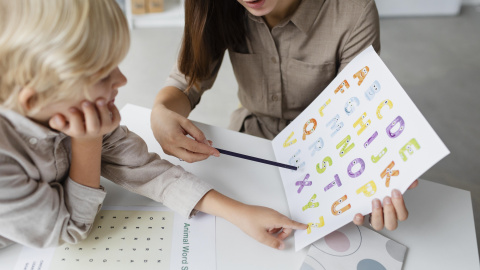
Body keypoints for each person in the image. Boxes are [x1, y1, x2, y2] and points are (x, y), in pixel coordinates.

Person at [0, 0, 307, 251]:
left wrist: (238, 212)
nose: (123, 81)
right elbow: (69, 229)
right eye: (102, 75)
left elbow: (146, 170)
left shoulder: (73, 106)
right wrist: (87, 141)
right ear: (34, 100)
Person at [150, 0, 419, 231]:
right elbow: (186, 79)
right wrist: (161, 111)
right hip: (251, 140)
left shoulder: (353, 11)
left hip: (328, 152)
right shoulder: (218, 5)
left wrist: (373, 179)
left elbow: (358, 114)